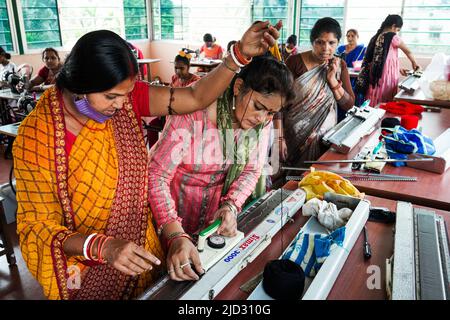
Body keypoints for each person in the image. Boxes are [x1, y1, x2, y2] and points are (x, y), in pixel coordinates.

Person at [13, 21, 282, 300]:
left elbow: (195, 96)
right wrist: (102, 247)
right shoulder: (39, 136)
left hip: (137, 244)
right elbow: (37, 226)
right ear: (79, 86)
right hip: (81, 261)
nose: (120, 105)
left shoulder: (126, 99)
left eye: (125, 95)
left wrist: (238, 55)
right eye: (110, 97)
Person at [148, 56, 294, 281]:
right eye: (258, 106)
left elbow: (252, 169)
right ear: (238, 88)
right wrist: (175, 234)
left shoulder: (260, 124)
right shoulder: (196, 112)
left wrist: (231, 205)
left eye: (271, 113)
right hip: (170, 211)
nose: (262, 118)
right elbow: (156, 175)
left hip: (212, 219)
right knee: (169, 277)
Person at [273, 17, 354, 185]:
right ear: (312, 42)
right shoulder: (295, 62)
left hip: (324, 137)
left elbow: (349, 105)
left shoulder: (340, 66)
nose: (326, 48)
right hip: (293, 135)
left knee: (316, 181)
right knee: (288, 180)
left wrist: (332, 80)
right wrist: (278, 138)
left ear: (338, 43)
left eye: (332, 43)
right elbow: (277, 103)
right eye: (320, 42)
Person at [355, 14, 419, 107]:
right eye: (397, 30)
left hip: (375, 76)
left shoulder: (376, 37)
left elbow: (381, 59)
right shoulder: (392, 36)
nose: (396, 32)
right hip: (386, 77)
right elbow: (408, 51)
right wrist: (414, 63)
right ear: (393, 26)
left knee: (374, 98)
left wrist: (398, 68)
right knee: (385, 99)